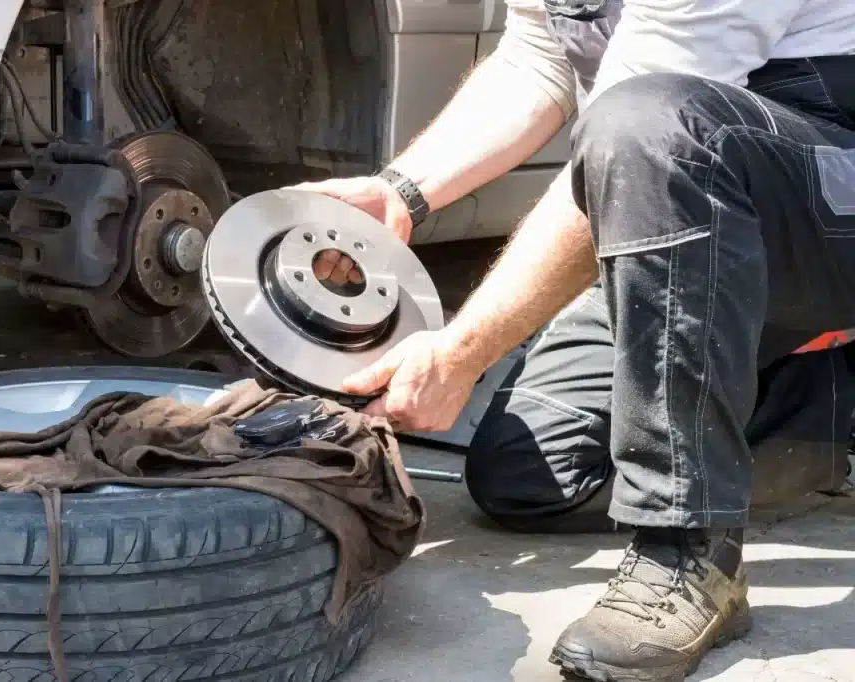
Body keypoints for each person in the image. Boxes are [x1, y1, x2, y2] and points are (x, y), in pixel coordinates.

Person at [289, 1, 855, 680]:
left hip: (827, 174)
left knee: (647, 128)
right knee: (533, 475)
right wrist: (402, 191)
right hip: (705, 196)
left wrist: (463, 352)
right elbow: (541, 56)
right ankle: (828, 407)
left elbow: (638, 144)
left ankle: (688, 552)